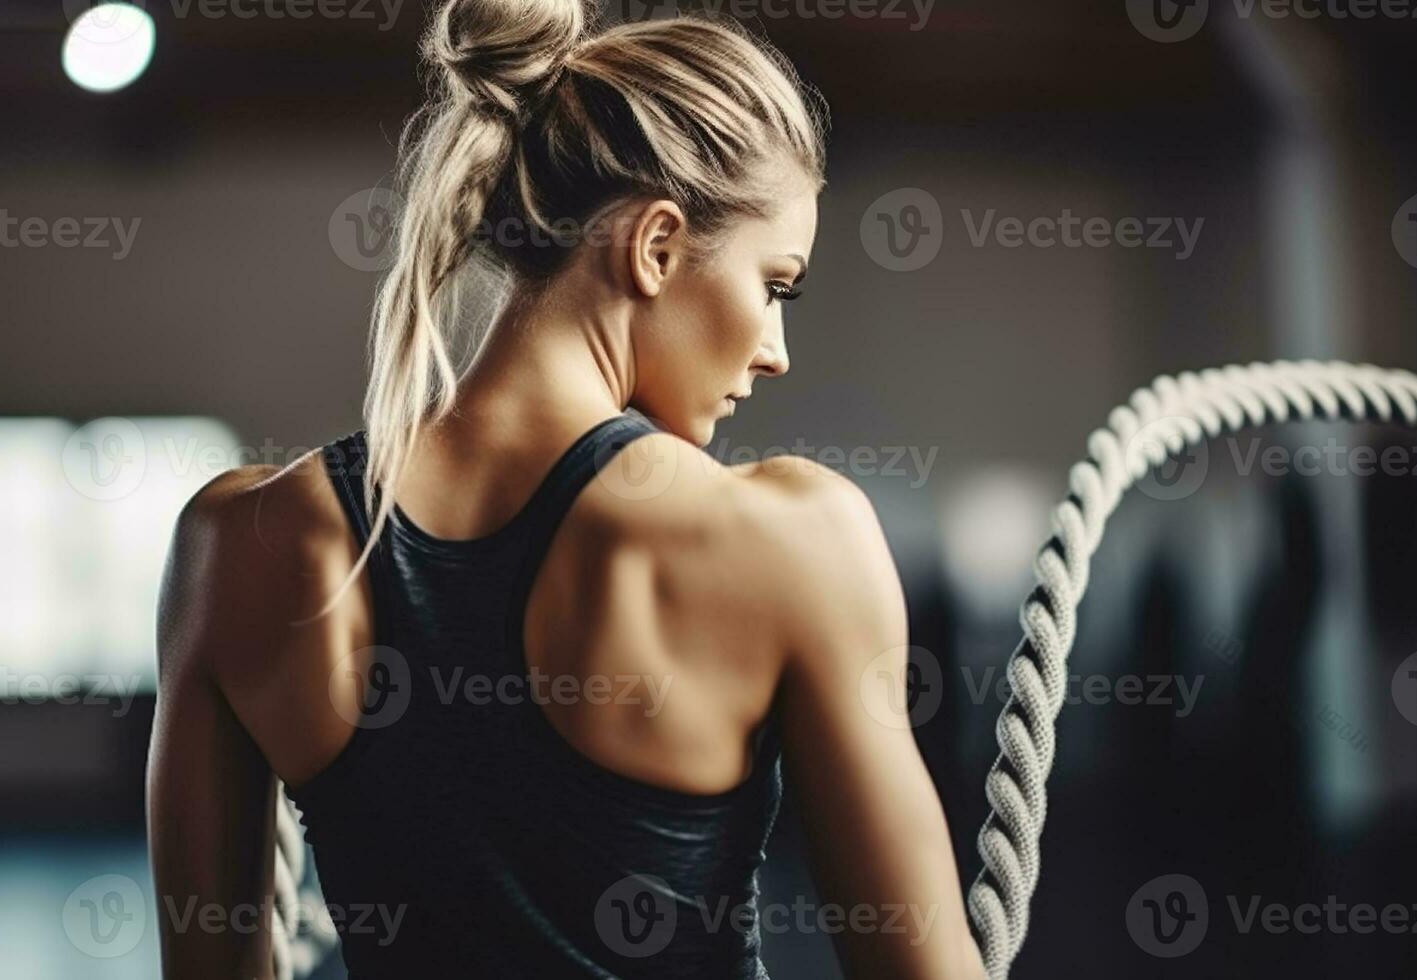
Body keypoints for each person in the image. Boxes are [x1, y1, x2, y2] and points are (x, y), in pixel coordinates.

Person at [148, 1, 985, 976]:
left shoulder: (236, 544)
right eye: (775, 285)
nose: (775, 353)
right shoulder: (793, 536)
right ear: (657, 246)